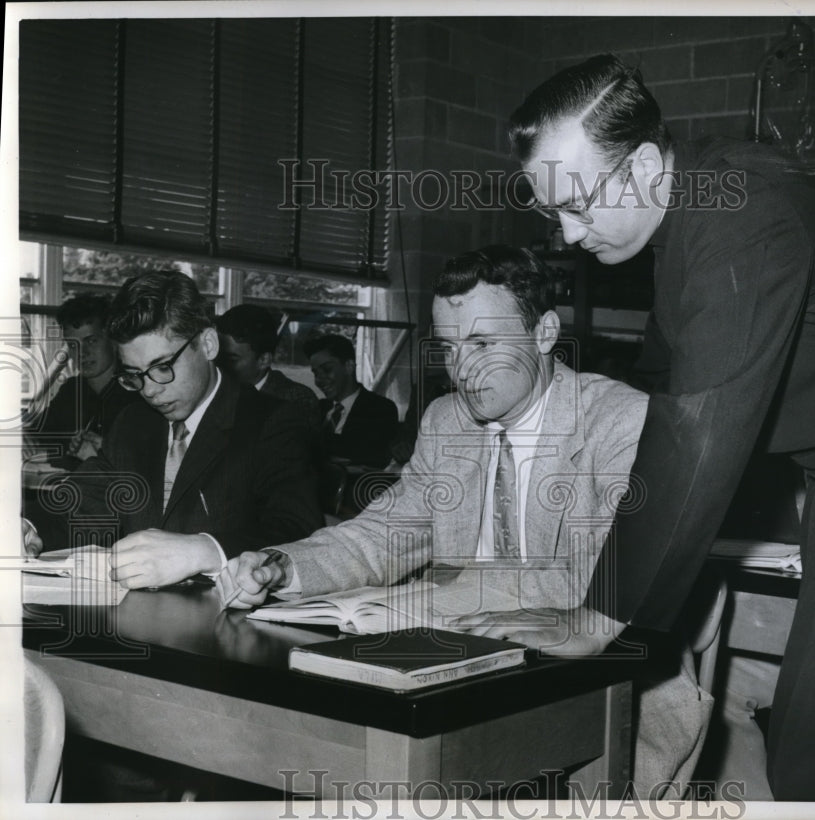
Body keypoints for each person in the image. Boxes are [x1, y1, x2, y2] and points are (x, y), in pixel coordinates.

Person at [464, 55, 815, 804]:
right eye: (553, 214)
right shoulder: (685, 214)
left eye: (578, 205)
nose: (569, 235)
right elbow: (661, 388)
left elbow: (694, 434)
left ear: (642, 166)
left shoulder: (738, 212)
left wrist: (600, 613)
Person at [220, 245, 711, 794]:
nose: (461, 369)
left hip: (611, 696)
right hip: (458, 676)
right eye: (450, 346)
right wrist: (285, 565)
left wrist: (440, 589)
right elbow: (386, 533)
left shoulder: (623, 421)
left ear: (545, 333)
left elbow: (595, 579)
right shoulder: (448, 419)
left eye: (482, 343)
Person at [25, 270, 324, 589]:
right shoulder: (134, 422)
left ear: (208, 344)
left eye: (162, 367)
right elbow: (83, 506)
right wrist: (29, 527)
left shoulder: (272, 422)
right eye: (135, 374)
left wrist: (205, 550)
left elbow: (298, 532)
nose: (150, 390)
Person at [27, 293, 141, 464]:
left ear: (112, 339)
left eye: (91, 341)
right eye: (73, 345)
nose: (82, 352)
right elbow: (36, 433)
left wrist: (108, 452)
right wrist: (24, 437)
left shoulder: (138, 392)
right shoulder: (71, 390)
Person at [216, 303, 320, 426]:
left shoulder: (296, 401)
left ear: (264, 360)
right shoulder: (217, 395)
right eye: (217, 357)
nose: (219, 366)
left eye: (232, 360)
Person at [304, 333, 398, 469]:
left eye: (327, 369)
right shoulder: (319, 408)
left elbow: (366, 454)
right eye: (316, 373)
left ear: (349, 366)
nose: (319, 380)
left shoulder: (380, 408)